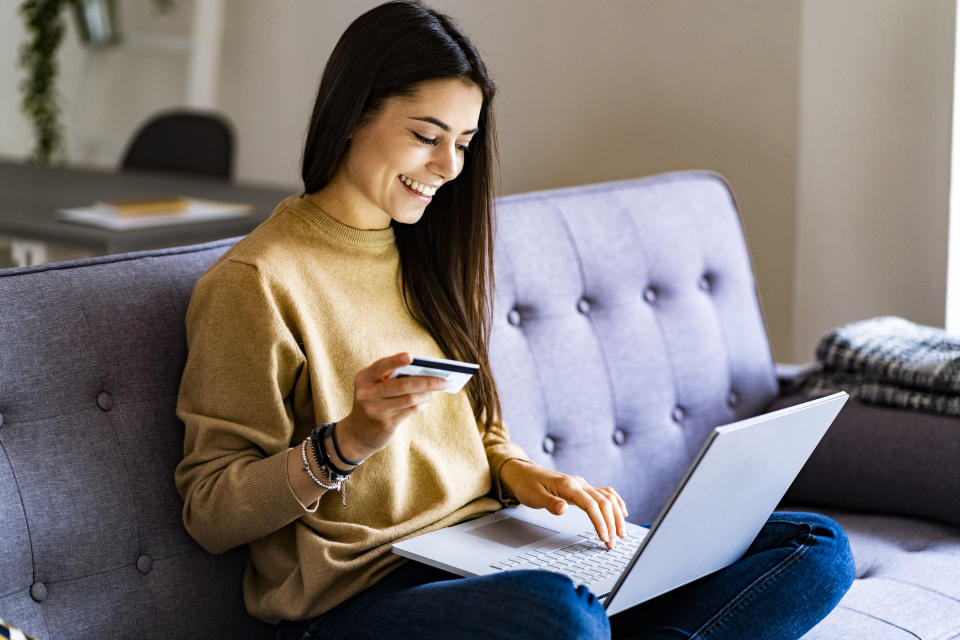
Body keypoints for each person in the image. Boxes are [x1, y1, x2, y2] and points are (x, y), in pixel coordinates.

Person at [174, 2, 855, 638]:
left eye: (464, 143)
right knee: (559, 615)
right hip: (362, 598)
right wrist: (345, 443)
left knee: (814, 548)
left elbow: (477, 427)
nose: (448, 167)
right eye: (426, 136)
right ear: (354, 115)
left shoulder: (427, 255)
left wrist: (528, 475)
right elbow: (210, 509)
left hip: (486, 550)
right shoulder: (256, 282)